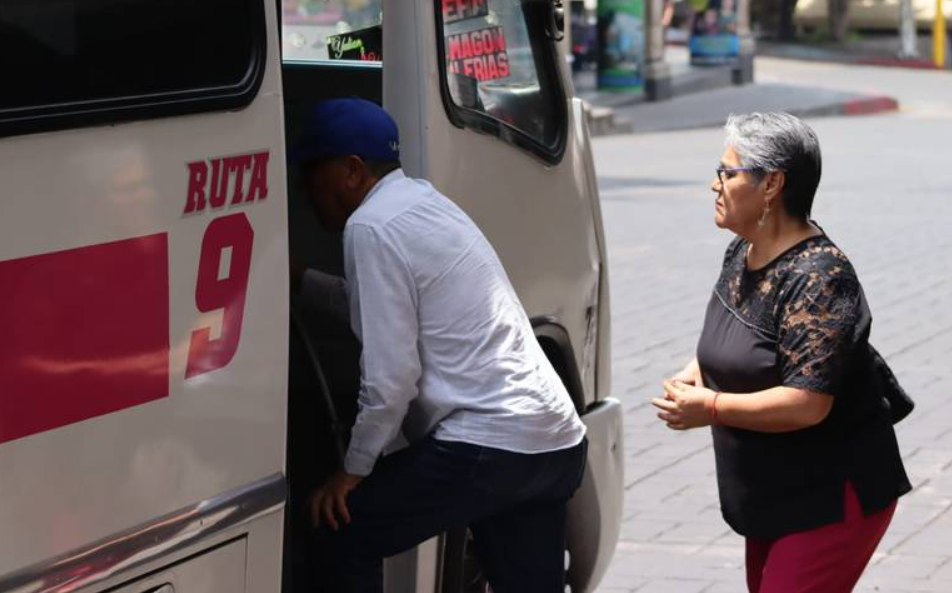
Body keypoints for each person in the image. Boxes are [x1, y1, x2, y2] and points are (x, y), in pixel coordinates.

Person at [290, 97, 588, 593]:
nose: (304, 190)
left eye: (310, 173)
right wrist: (302, 282)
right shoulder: (421, 201)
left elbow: (390, 380)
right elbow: (382, 309)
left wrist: (352, 470)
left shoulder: (369, 227)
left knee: (341, 532)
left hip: (491, 445)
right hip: (553, 439)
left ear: (351, 171)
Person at [652, 112, 911, 593]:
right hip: (773, 491)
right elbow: (738, 335)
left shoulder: (819, 277)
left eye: (727, 174)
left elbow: (807, 403)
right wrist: (697, 372)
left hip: (830, 497)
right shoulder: (742, 250)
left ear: (771, 184)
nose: (715, 185)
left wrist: (709, 406)